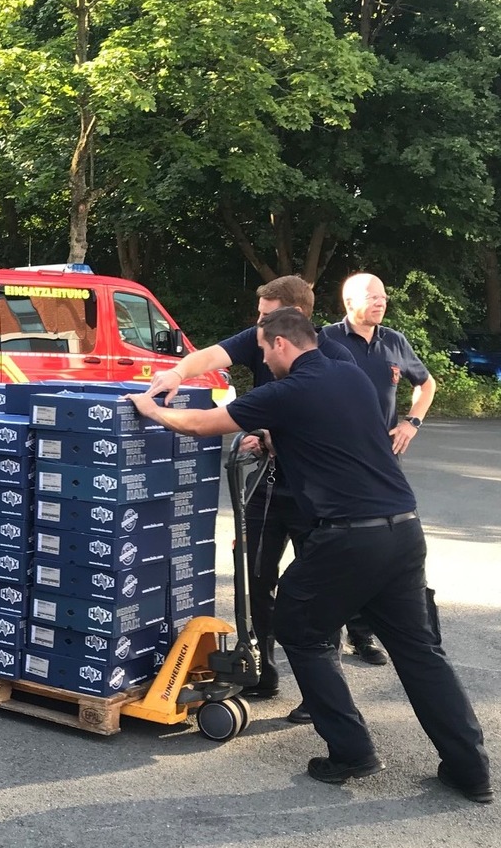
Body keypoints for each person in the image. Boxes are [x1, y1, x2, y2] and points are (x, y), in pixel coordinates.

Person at [128, 307, 492, 804]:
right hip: (403, 529)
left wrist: (153, 411)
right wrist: (278, 440)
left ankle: (351, 750)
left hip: (347, 538)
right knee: (420, 652)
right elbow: (332, 435)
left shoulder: (286, 391)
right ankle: (470, 771)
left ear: (280, 344)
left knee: (300, 627)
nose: (260, 358)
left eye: (263, 350)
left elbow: (199, 425)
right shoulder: (350, 375)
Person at [147, 275, 366, 719]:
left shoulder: (336, 359)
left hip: (315, 496)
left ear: (295, 318)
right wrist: (175, 372)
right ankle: (263, 669)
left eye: (266, 319)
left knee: (316, 595)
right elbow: (212, 355)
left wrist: (275, 434)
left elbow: (337, 423)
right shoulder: (258, 336)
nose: (257, 328)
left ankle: (319, 692)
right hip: (268, 486)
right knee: (256, 578)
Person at [322, 272, 437, 457]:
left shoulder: (394, 341)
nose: (381, 303)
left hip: (384, 457)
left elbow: (426, 384)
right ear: (349, 302)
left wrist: (412, 422)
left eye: (383, 297)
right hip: (335, 458)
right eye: (372, 297)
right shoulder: (324, 340)